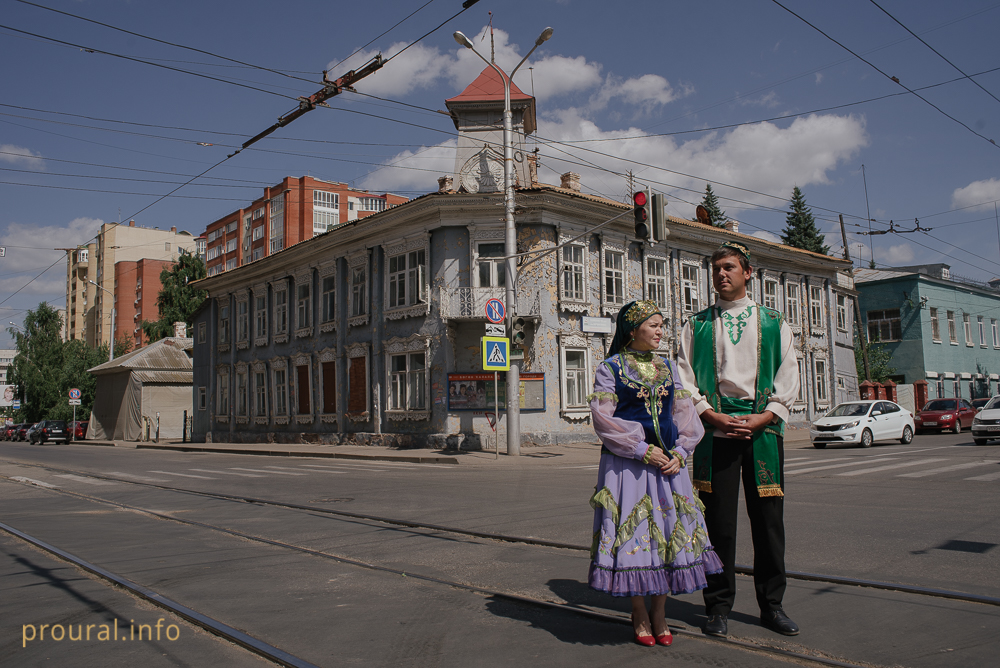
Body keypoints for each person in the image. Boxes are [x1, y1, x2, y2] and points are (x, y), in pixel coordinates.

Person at [675, 242, 800, 638]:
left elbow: (788, 377)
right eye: (715, 269)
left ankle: (772, 606)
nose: (721, 275)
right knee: (718, 525)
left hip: (761, 432)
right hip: (716, 432)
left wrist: (764, 418)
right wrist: (711, 415)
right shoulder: (695, 325)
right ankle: (718, 606)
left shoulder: (773, 322)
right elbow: (683, 380)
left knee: (768, 524)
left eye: (729, 267)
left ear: (749, 274)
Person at [588, 300, 723, 647]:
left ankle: (660, 612)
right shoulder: (611, 368)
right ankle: (640, 612)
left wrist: (681, 451)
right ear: (633, 330)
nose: (661, 331)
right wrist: (641, 448)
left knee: (668, 535)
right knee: (634, 538)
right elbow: (603, 419)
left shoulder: (668, 367)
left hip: (668, 467)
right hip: (629, 465)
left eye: (662, 325)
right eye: (653, 325)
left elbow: (684, 413)